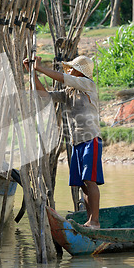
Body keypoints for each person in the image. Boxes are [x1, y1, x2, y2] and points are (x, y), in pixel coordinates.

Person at [23, 55, 104, 229]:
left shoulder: (88, 85)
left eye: (72, 68)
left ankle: (95, 221)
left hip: (91, 139)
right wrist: (33, 74)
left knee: (90, 181)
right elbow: (45, 96)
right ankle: (90, 220)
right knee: (83, 185)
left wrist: (40, 68)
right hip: (77, 142)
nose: (69, 71)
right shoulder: (69, 92)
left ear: (80, 72)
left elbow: (63, 78)